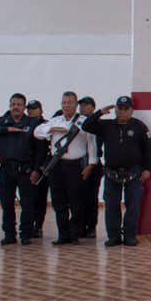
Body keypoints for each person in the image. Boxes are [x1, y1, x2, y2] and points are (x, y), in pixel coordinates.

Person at [84, 96, 151, 247]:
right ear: (115, 109)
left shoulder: (139, 126)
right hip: (112, 173)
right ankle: (114, 237)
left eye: (125, 109)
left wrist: (147, 169)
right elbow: (87, 125)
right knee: (111, 206)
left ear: (131, 110)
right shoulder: (106, 125)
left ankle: (129, 236)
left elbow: (149, 150)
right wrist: (99, 113)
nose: (122, 112)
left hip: (134, 173)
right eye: (119, 109)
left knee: (133, 206)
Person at [32, 92, 98, 245]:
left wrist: (91, 164)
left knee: (76, 201)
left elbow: (91, 144)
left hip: (76, 165)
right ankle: (63, 234)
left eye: (70, 102)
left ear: (76, 105)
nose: (66, 105)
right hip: (57, 165)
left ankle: (75, 234)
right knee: (58, 201)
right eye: (64, 102)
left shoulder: (84, 122)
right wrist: (53, 129)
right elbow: (37, 132)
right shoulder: (55, 120)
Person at [0, 93, 40, 245]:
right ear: (9, 105)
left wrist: (36, 170)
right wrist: (7, 129)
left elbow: (39, 149)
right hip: (6, 170)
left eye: (19, 104)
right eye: (13, 104)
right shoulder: (1, 122)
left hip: (25, 170)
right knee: (6, 205)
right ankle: (9, 234)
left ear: (24, 107)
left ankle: (26, 234)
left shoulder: (33, 123)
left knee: (27, 204)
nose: (16, 107)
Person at [24, 99, 50, 241]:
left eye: (34, 108)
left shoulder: (46, 125)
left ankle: (38, 226)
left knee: (40, 198)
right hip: (28, 166)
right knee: (28, 199)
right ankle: (28, 225)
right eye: (29, 109)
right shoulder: (25, 124)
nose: (31, 111)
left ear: (40, 110)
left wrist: (41, 166)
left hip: (43, 168)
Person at [77, 96, 102, 239]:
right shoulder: (77, 121)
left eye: (86, 105)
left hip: (94, 163)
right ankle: (79, 226)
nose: (82, 108)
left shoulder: (97, 123)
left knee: (91, 198)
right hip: (79, 162)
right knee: (78, 197)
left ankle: (91, 226)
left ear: (93, 107)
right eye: (81, 105)